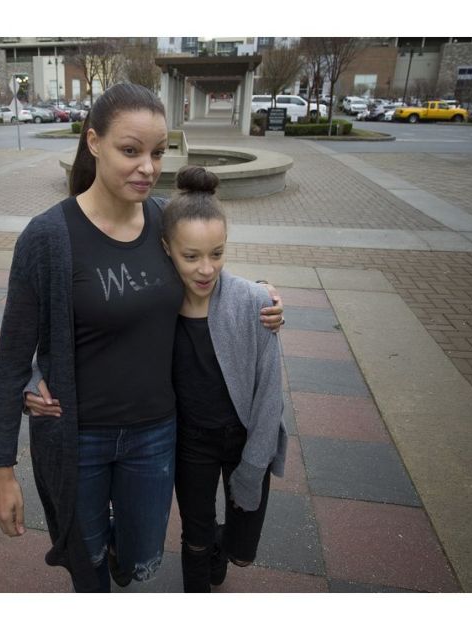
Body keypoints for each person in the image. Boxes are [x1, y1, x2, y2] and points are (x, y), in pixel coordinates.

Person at [0, 83, 285, 593]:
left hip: (155, 433)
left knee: (140, 556)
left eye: (158, 152)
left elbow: (206, 270)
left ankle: (114, 552)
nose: (148, 167)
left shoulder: (164, 220)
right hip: (78, 435)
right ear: (93, 142)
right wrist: (2, 469)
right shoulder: (48, 237)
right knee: (88, 565)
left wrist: (259, 295)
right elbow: (12, 356)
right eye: (131, 151)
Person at [161, 165, 287, 592]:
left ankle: (223, 544)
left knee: (240, 547)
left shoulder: (254, 303)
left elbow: (270, 392)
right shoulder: (158, 307)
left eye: (217, 253)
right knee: (194, 536)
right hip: (190, 441)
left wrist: (255, 461)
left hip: (245, 438)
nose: (206, 269)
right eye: (191, 256)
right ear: (167, 248)